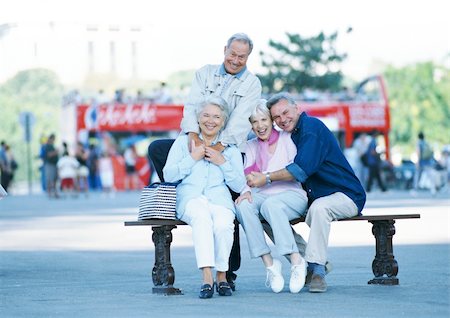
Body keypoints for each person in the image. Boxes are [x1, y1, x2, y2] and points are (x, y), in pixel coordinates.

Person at [148, 32, 262, 289]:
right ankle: (178, 192)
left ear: (248, 57)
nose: (235, 59)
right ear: (224, 50)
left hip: (228, 144)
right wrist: (193, 138)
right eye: (232, 54)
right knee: (158, 148)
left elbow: (240, 120)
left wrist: (218, 149)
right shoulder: (205, 73)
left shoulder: (252, 84)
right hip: (196, 137)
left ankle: (227, 274)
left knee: (226, 208)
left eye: (241, 56)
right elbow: (191, 106)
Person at [247, 92, 366, 293]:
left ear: (297, 109)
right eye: (276, 117)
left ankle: (317, 270)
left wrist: (266, 177)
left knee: (320, 208)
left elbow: (300, 169)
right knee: (265, 213)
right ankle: (309, 261)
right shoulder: (291, 135)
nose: (282, 119)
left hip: (345, 194)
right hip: (315, 198)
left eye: (285, 112)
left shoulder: (311, 128)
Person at [162, 97, 246, 299]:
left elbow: (238, 185)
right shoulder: (184, 142)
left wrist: (222, 162)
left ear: (223, 121)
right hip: (190, 197)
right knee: (201, 219)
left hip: (219, 198)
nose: (211, 121)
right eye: (206, 115)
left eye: (217, 117)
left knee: (224, 224)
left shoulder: (231, 148)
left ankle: (222, 275)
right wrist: (193, 158)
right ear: (198, 119)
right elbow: (169, 175)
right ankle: (207, 278)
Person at [235, 101, 308, 294]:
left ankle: (296, 260)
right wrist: (245, 192)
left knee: (270, 205)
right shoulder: (250, 146)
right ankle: (270, 265)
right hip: (263, 195)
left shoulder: (287, 139)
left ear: (271, 120)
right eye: (255, 121)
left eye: (263, 119)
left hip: (291, 194)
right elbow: (246, 176)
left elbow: (294, 170)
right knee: (243, 206)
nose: (260, 125)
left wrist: (265, 178)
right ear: (250, 125)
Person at [43, 134, 60, 198]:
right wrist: (56, 152)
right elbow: (49, 155)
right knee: (50, 179)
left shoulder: (51, 146)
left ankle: (55, 193)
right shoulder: (48, 146)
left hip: (54, 164)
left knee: (55, 179)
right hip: (50, 164)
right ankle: (50, 193)